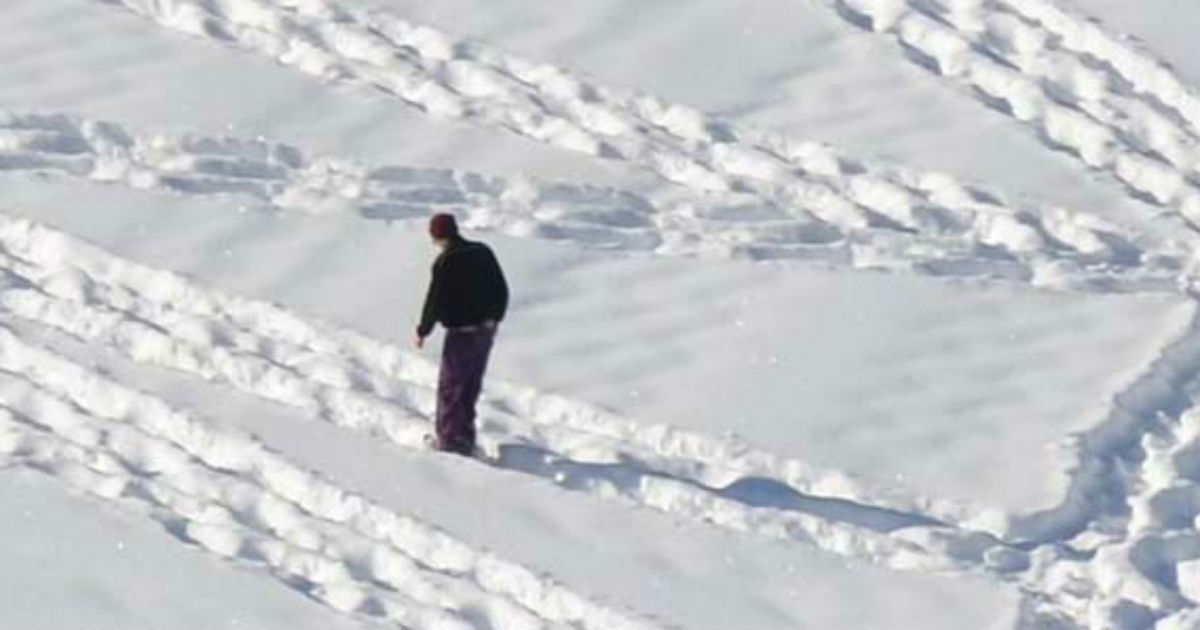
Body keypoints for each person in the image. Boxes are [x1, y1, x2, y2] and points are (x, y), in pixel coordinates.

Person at [416, 213, 509, 456]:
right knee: (470, 386)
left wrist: (423, 329)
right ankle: (465, 437)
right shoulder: (482, 251)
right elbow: (501, 289)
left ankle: (449, 444)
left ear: (436, 236)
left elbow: (434, 300)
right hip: (485, 331)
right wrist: (496, 318)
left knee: (451, 388)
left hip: (461, 333)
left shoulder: (445, 262)